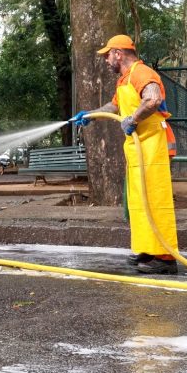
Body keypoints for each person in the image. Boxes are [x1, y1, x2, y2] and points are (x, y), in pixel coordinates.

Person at [72, 34, 179, 275]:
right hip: (138, 147)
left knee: (155, 200)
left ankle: (165, 257)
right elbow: (114, 107)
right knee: (140, 201)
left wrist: (133, 119)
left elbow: (153, 99)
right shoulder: (124, 81)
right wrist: (89, 115)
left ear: (118, 54)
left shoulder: (142, 73)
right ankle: (147, 249)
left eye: (108, 55)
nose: (107, 60)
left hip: (152, 145)